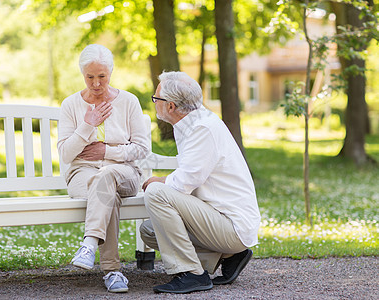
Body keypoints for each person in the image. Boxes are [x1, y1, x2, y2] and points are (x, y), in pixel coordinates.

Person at [140, 71, 260, 294]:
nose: (154, 102)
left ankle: (192, 274)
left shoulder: (202, 128)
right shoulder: (190, 123)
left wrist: (160, 180)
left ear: (171, 106)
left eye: (156, 99)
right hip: (218, 219)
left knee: (156, 192)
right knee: (149, 231)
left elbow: (185, 183)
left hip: (231, 225)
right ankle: (229, 256)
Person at [57, 44, 150, 293]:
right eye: (90, 77)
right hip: (82, 173)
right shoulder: (70, 105)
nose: (96, 84)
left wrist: (107, 152)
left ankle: (89, 244)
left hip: (124, 172)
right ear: (82, 74)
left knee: (107, 176)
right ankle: (112, 271)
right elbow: (66, 154)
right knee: (107, 193)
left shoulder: (128, 102)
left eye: (102, 76)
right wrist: (88, 126)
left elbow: (142, 149)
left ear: (110, 72)